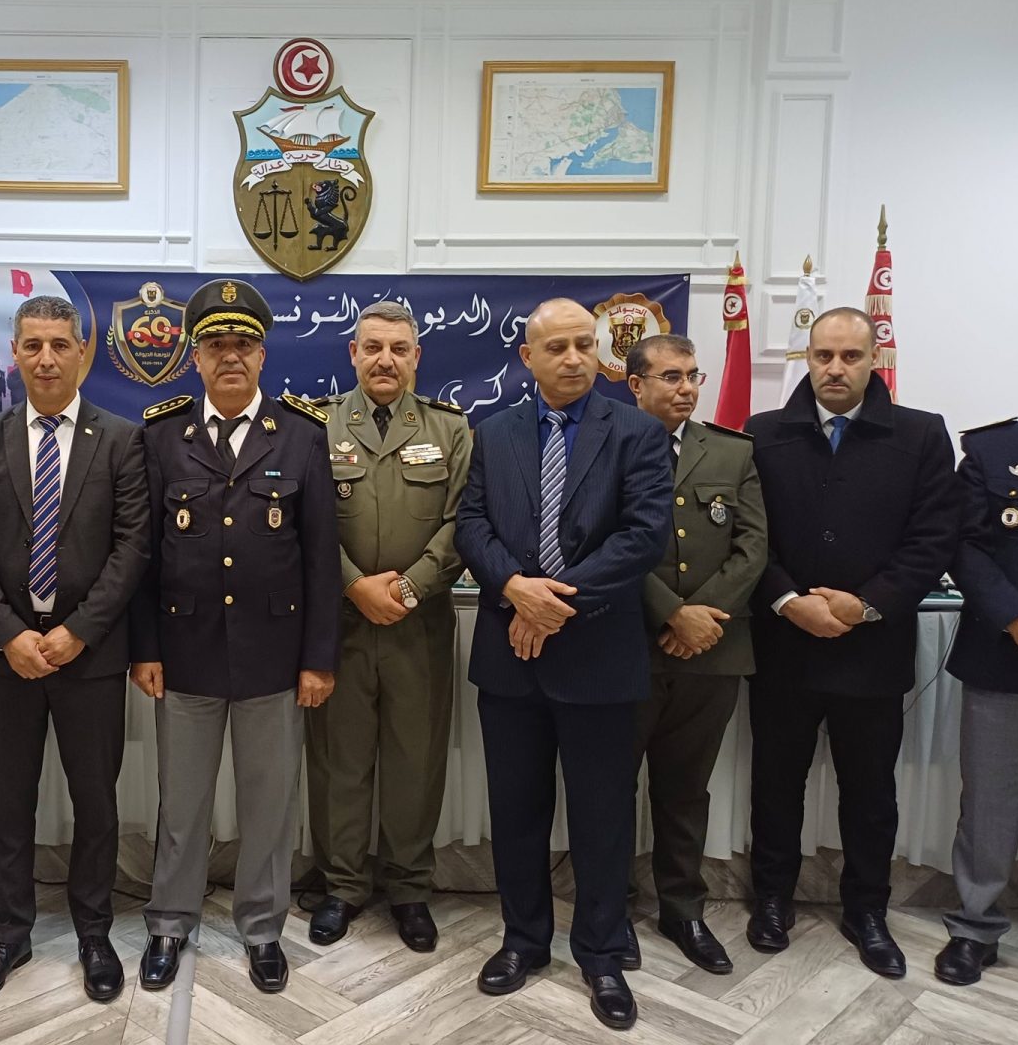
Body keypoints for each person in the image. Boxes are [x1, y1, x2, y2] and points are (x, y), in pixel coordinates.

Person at [454, 298, 671, 1031]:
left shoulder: (637, 431)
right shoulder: (494, 433)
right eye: (557, 347)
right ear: (528, 357)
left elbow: (644, 536)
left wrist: (551, 603)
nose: (574, 357)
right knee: (516, 811)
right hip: (510, 660)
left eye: (585, 344)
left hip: (599, 656)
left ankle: (603, 954)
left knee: (602, 816)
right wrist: (516, 588)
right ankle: (524, 941)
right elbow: (472, 524)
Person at [133, 278, 339, 996]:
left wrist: (318, 659)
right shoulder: (163, 435)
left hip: (274, 659)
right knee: (182, 803)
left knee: (269, 807)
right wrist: (145, 647)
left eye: (244, 344)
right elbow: (144, 557)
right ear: (194, 357)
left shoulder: (303, 435)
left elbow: (321, 560)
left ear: (262, 356)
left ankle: (262, 929)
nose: (231, 356)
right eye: (216, 344)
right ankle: (169, 923)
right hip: (184, 654)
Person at [744, 307, 956, 979]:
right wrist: (790, 601)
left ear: (874, 359)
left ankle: (867, 910)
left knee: (870, 793)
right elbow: (749, 537)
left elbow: (933, 540)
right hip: (784, 645)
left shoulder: (921, 434)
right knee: (775, 784)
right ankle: (771, 899)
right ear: (807, 358)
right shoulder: (762, 433)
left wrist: (864, 606)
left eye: (850, 356)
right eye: (823, 356)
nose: (835, 369)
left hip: (872, 650)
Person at [0, 296, 149, 1005]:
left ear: (81, 352)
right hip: (7, 657)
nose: (45, 359)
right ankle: (10, 932)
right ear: (14, 352)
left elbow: (132, 548)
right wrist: (11, 634)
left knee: (96, 801)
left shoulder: (121, 439)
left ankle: (94, 932)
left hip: (89, 656)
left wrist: (78, 631)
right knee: (9, 801)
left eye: (59, 345)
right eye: (32, 345)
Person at [305, 301, 470, 952]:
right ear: (352, 353)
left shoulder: (450, 428)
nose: (385, 360)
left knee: (415, 762)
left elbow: (463, 522)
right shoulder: (316, 425)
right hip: (339, 625)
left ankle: (408, 888)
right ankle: (342, 886)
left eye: (399, 349)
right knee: (339, 762)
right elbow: (306, 521)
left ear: (416, 357)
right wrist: (354, 584)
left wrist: (405, 587)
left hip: (417, 626)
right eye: (372, 347)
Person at [623, 334, 766, 974]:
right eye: (671, 377)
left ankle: (683, 910)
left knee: (686, 789)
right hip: (629, 647)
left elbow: (752, 547)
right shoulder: (608, 446)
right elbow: (597, 541)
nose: (685, 388)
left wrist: (700, 617)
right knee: (612, 788)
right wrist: (669, 613)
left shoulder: (733, 451)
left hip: (712, 650)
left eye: (692, 376)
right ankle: (612, 906)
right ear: (636, 384)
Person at [933, 377, 1018, 985]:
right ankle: (975, 928)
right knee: (991, 803)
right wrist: (1017, 619)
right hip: (1008, 654)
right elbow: (963, 544)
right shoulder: (994, 450)